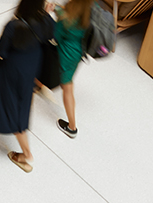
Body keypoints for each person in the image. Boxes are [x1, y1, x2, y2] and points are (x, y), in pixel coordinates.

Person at [0, 0, 55, 172]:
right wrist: (47, 13)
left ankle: (26, 154)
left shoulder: (14, 26)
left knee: (11, 107)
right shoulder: (45, 21)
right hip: (31, 68)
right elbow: (50, 33)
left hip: (12, 72)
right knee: (19, 104)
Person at [54, 0, 93, 138]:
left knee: (67, 89)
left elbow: (56, 35)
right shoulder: (89, 11)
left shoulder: (66, 18)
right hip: (77, 53)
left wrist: (56, 15)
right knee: (68, 84)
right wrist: (59, 10)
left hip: (65, 54)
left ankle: (72, 127)